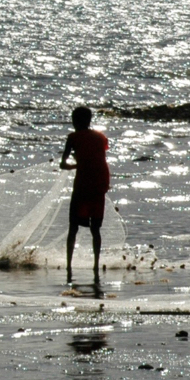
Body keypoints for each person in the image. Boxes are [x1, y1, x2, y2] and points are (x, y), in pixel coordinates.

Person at [60, 105, 110, 280]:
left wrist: (77, 165)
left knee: (73, 227)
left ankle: (68, 266)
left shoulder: (73, 137)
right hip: (100, 184)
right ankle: (96, 266)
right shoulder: (100, 137)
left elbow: (63, 164)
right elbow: (99, 155)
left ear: (75, 121)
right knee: (95, 229)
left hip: (82, 185)